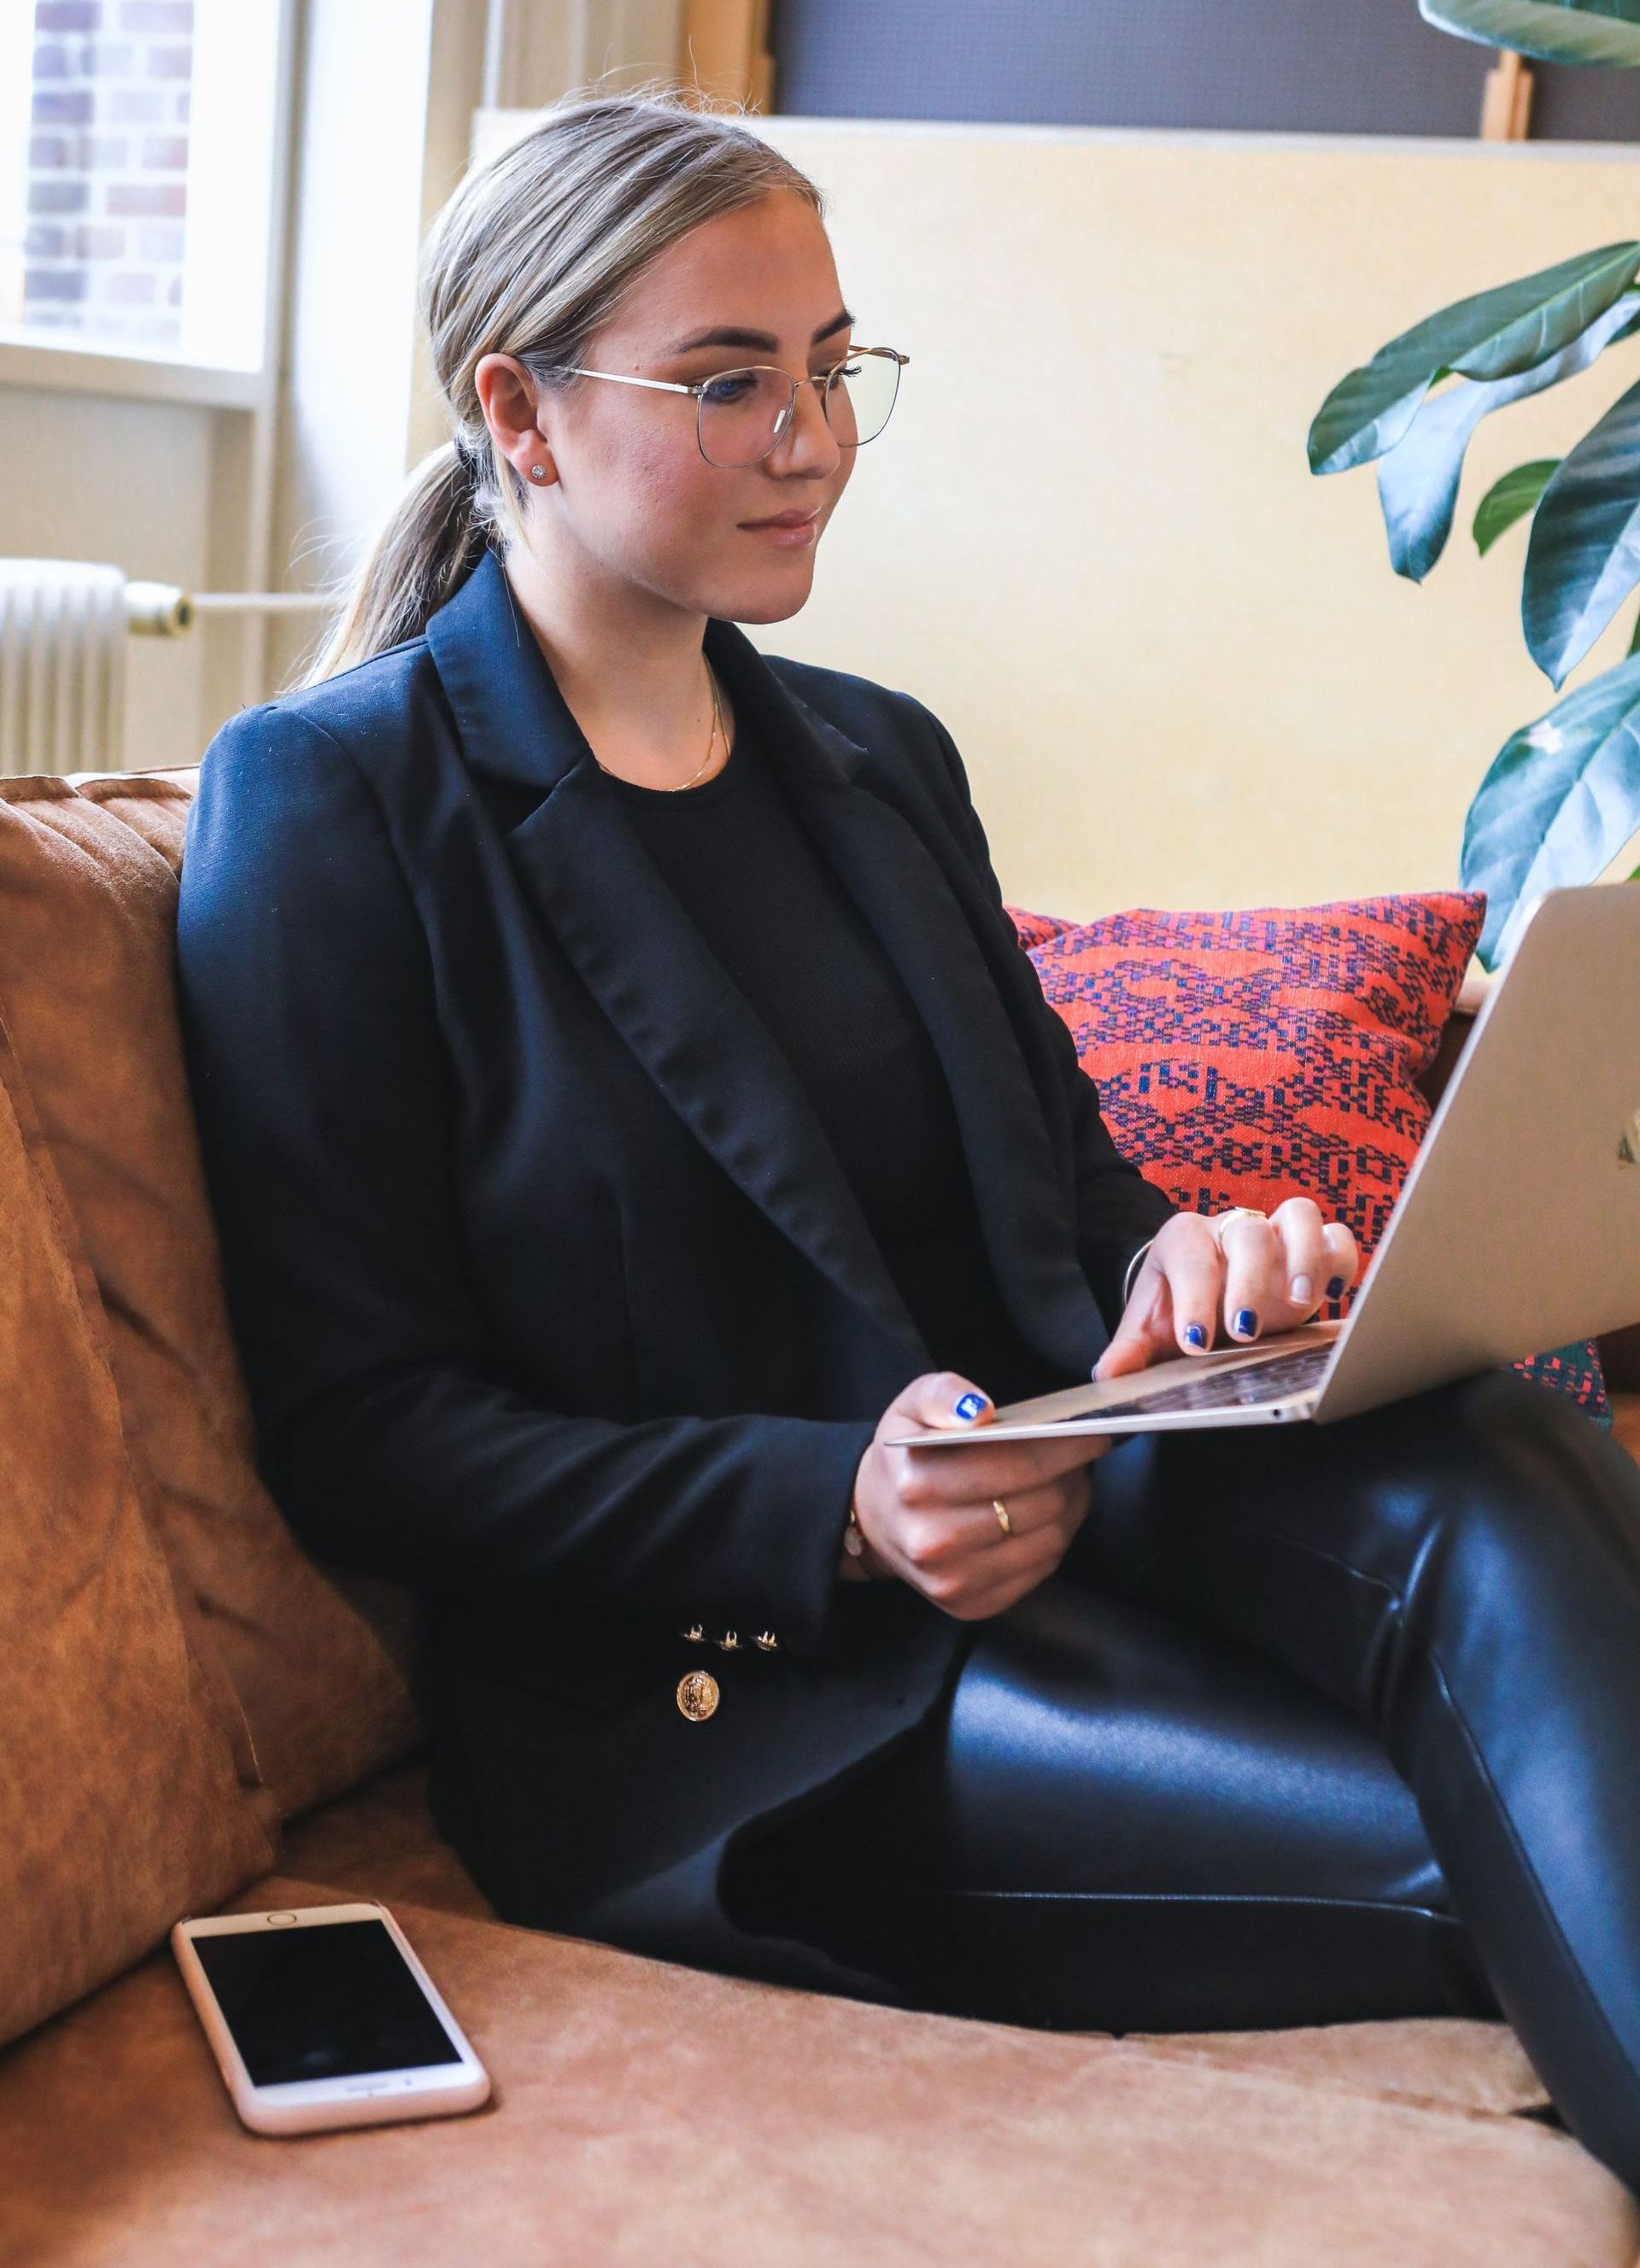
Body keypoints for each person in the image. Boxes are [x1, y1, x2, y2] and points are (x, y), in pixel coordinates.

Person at [174, 85, 1640, 2193]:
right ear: (519, 407)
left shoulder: (874, 759)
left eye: (834, 365)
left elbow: (1071, 1193)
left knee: (1496, 1448)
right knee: (1508, 1834)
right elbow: (360, 1425)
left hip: (1091, 1506)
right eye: (728, 380)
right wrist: (839, 1508)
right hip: (754, 1698)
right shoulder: (334, 809)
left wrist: (1181, 1265)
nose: (813, 438)